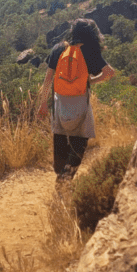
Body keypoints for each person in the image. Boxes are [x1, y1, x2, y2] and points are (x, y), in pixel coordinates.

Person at [36, 17, 115, 179]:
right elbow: (109, 72)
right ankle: (66, 177)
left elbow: (48, 79)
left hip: (59, 101)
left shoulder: (59, 48)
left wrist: (43, 103)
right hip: (80, 101)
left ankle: (60, 169)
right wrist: (92, 80)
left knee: (60, 135)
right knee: (80, 140)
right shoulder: (90, 51)